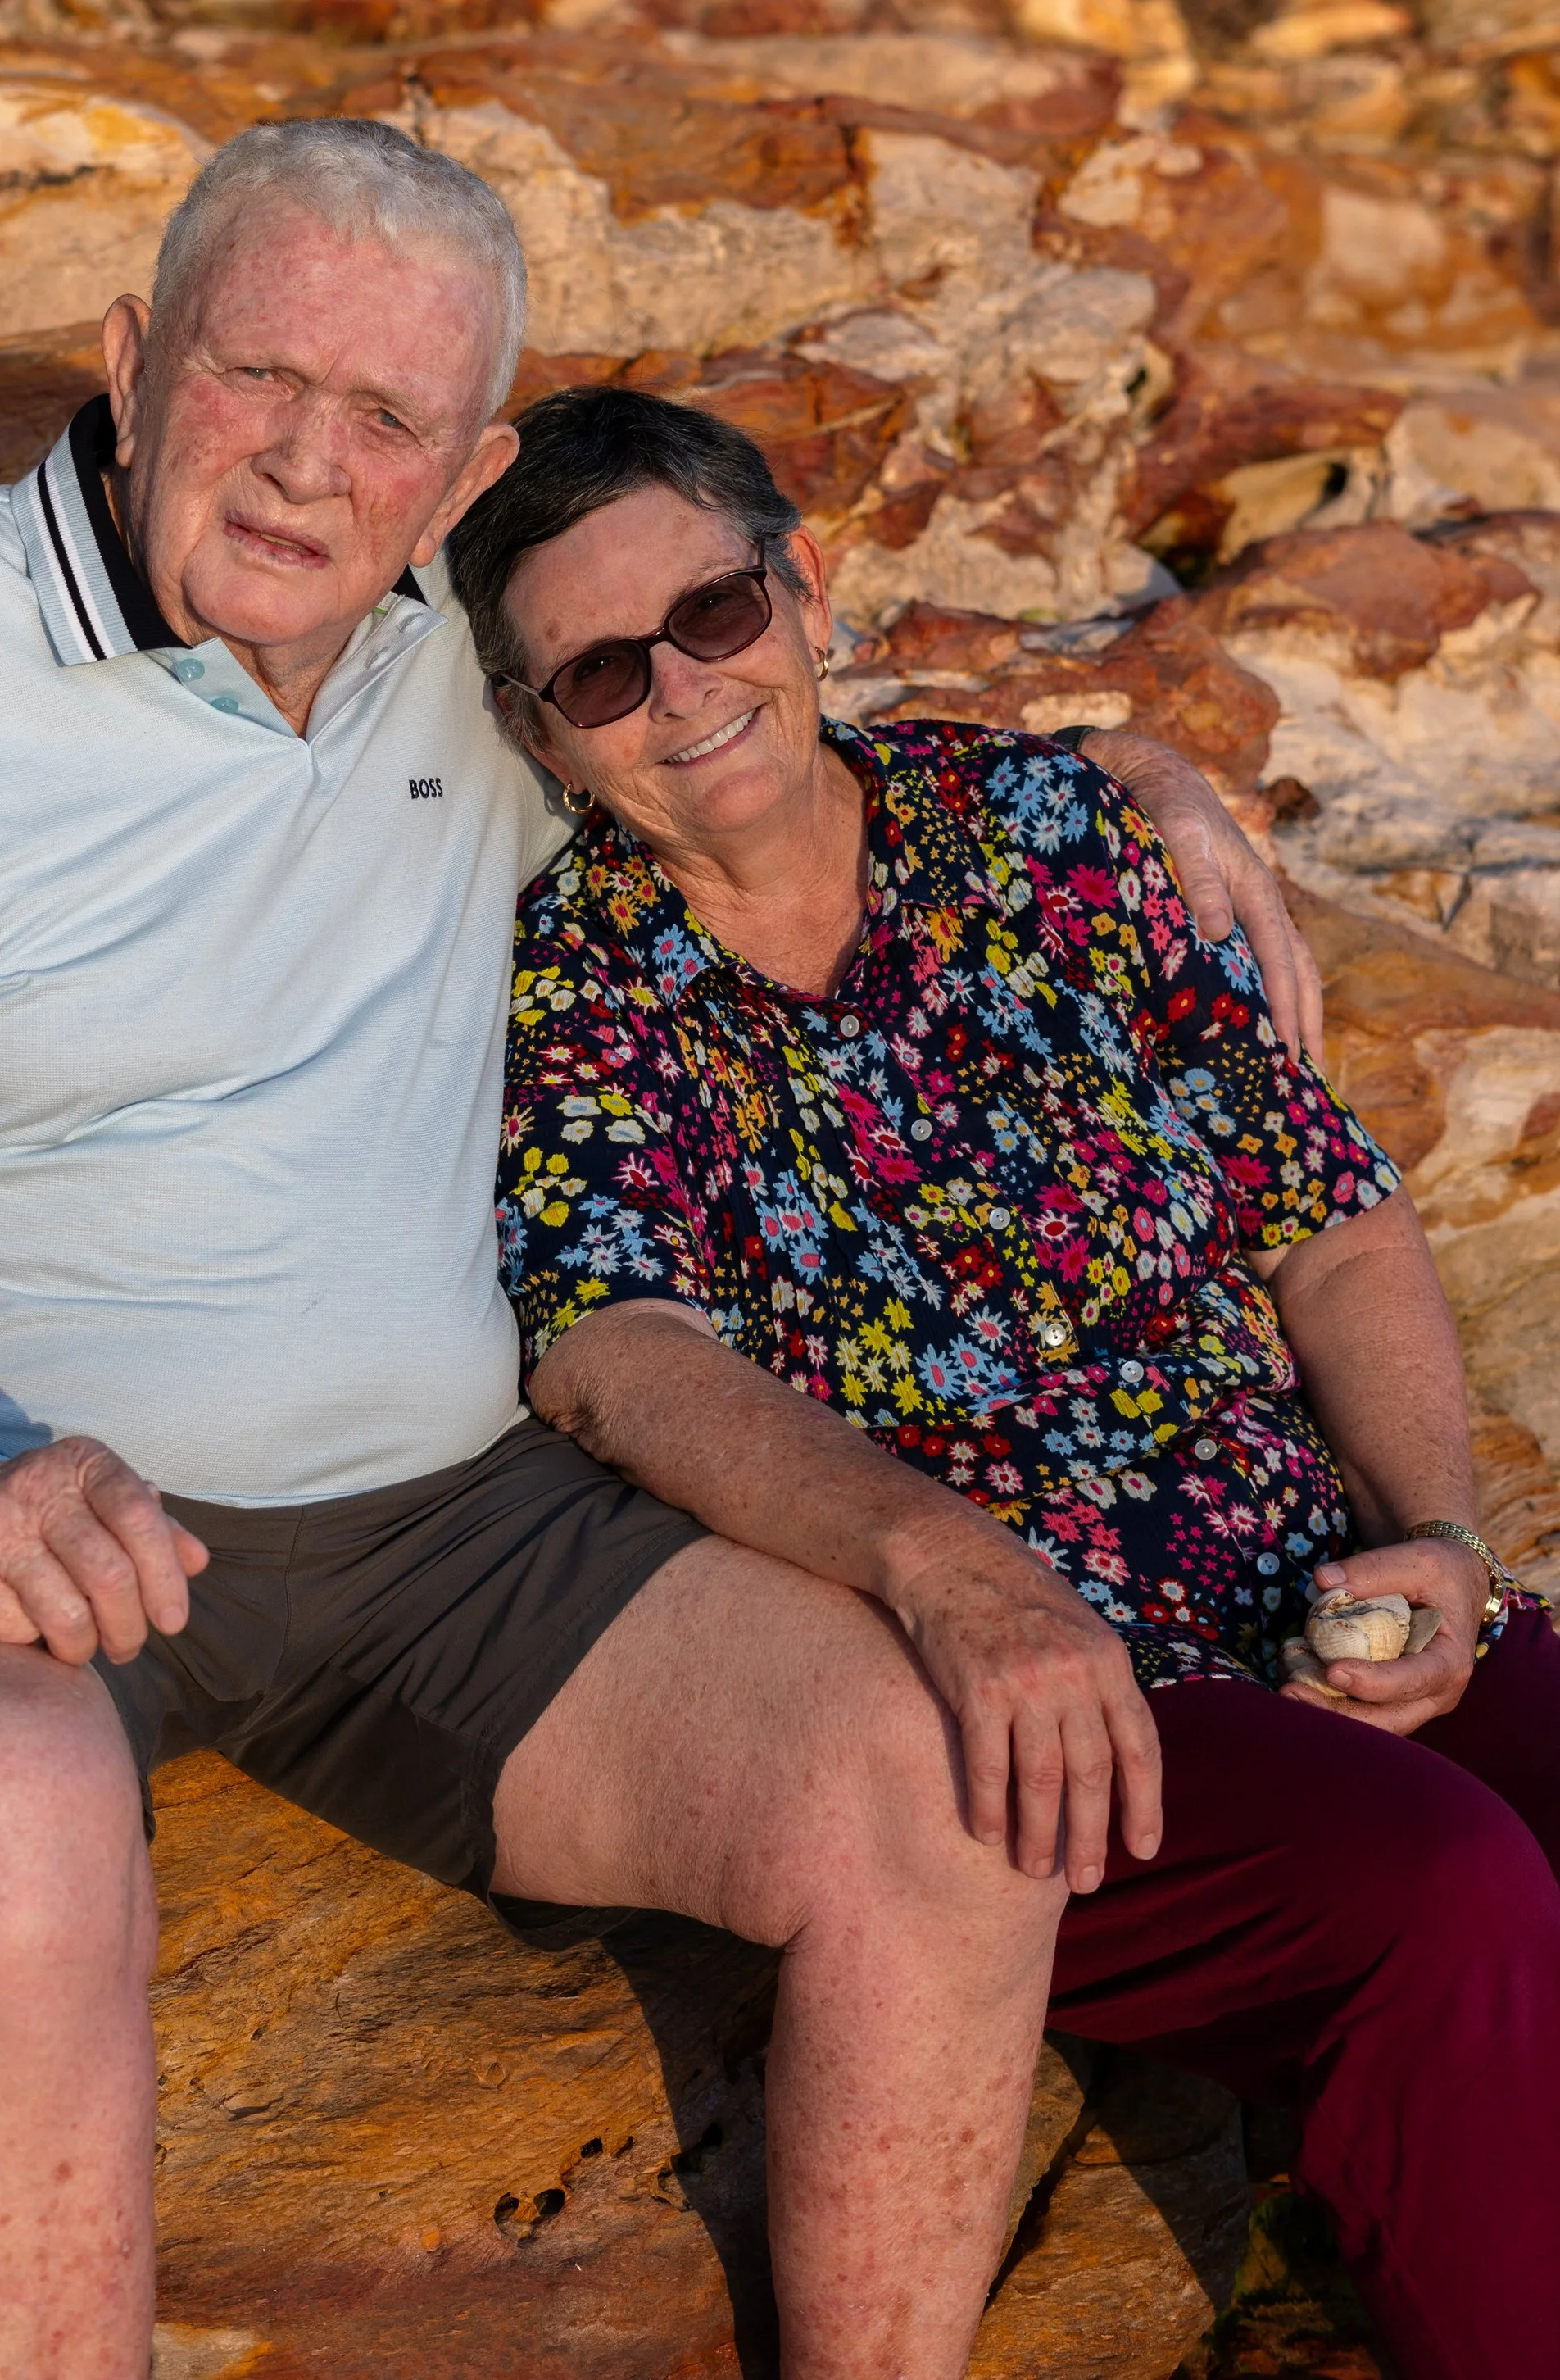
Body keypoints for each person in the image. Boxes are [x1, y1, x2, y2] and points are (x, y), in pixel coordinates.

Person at [0, 119, 1308, 2380]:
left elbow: (734, 727)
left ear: (462, 464)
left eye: (385, 420)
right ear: (131, 363)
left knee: (934, 1784)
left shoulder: (465, 664)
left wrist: (1126, 774)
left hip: (448, 1522)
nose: (307, 466)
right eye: (255, 378)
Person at [447, 379, 1560, 2380]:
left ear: (800, 585)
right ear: (538, 734)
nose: (681, 693)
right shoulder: (570, 986)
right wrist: (947, 1570)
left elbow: (1328, 1219)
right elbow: (614, 1351)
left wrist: (1441, 1537)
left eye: (707, 615)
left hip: (1301, 1571)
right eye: (599, 674)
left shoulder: (1044, 827)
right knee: (1442, 1894)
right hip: (1018, 1692)